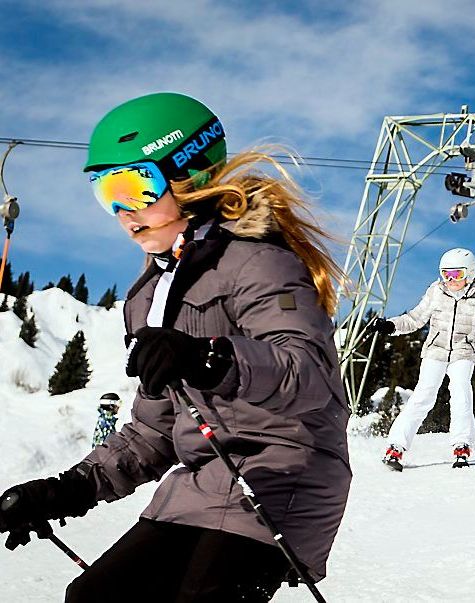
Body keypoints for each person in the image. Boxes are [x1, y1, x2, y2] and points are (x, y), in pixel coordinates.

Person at [0, 92, 351, 601]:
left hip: (280, 477)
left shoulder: (259, 262)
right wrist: (65, 491)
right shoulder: (149, 296)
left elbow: (309, 375)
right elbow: (154, 431)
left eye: (133, 187)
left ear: (190, 173)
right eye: (106, 193)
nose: (122, 211)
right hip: (200, 486)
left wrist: (211, 358)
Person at [371, 248, 475, 470]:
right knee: (423, 396)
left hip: (463, 352)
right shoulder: (436, 292)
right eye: (446, 274)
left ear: (470, 274)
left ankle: (462, 445)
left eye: (456, 275)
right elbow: (415, 319)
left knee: (461, 391)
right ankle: (395, 447)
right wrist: (390, 325)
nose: (450, 280)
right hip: (435, 351)